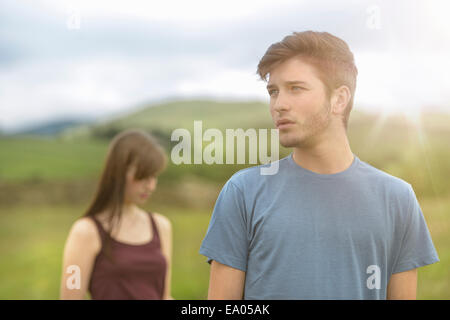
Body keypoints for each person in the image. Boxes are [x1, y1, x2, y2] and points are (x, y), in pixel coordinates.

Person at [199, 31, 439, 300]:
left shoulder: (398, 198)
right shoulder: (243, 192)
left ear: (339, 99)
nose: (279, 105)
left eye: (296, 89)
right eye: (273, 92)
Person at [60, 129, 173, 300]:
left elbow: (165, 296)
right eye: (142, 176)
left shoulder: (161, 225)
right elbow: (70, 297)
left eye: (154, 176)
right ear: (118, 171)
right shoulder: (85, 231)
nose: (151, 186)